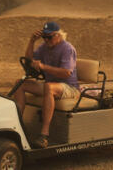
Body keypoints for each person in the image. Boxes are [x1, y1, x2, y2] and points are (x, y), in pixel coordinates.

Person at [12, 21, 79, 149]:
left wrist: (43, 67)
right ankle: (16, 124)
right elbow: (29, 59)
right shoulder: (44, 47)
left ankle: (44, 135)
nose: (46, 40)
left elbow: (66, 73)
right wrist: (32, 41)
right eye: (44, 37)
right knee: (19, 84)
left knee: (49, 87)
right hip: (52, 85)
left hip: (69, 87)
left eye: (49, 37)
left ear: (58, 35)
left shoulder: (67, 48)